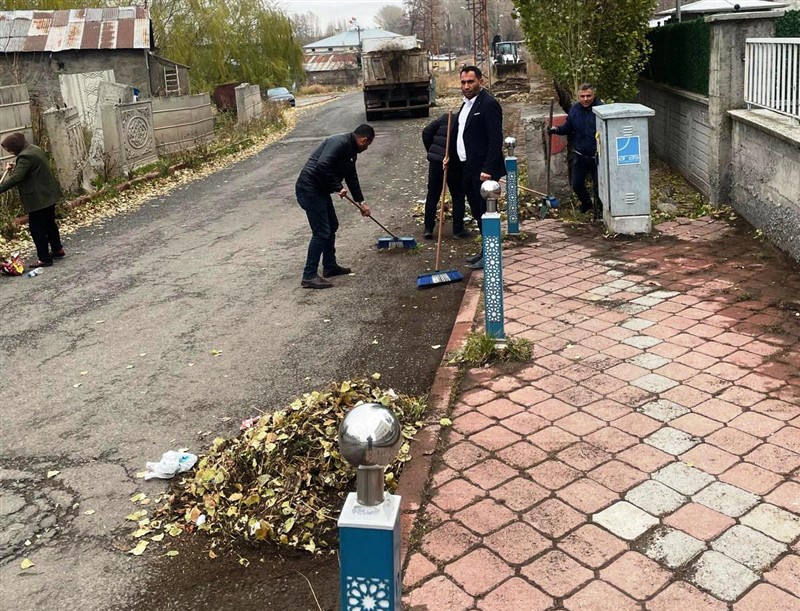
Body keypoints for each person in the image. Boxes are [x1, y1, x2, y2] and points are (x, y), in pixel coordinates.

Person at [295, 124, 374, 289]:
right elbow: (322, 164)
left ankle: (330, 266)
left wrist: (361, 202)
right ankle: (309, 275)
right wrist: (338, 187)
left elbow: (351, 176)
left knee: (332, 225)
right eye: (368, 145)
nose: (366, 149)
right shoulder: (339, 142)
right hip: (309, 189)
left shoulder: (351, 151)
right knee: (322, 231)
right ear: (363, 140)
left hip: (320, 190)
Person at [456, 65, 505, 270]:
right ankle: (485, 249)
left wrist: (488, 168)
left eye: (470, 82)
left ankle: (491, 254)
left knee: (486, 213)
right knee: (477, 212)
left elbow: (496, 140)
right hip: (468, 167)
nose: (466, 86)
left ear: (480, 82)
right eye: (463, 82)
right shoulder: (466, 105)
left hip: (483, 171)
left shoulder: (489, 104)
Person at [0, 133, 64, 267]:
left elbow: (17, 178)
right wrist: (15, 169)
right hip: (48, 194)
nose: (10, 152)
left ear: (15, 146)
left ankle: (44, 258)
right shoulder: (34, 149)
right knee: (49, 224)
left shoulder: (25, 156)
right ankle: (57, 249)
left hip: (38, 198)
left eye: (10, 149)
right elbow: (30, 172)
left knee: (37, 229)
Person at [549, 83, 603, 217]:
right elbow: (568, 127)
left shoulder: (601, 110)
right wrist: (556, 130)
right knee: (577, 184)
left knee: (599, 186)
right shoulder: (574, 110)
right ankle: (586, 204)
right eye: (582, 96)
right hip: (580, 155)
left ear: (593, 95)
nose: (585, 99)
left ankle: (600, 211)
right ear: (578, 96)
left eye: (588, 96)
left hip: (598, 156)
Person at [421, 112, 465, 240]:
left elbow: (426, 132)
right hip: (454, 164)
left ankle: (428, 229)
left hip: (437, 162)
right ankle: (458, 230)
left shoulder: (446, 117)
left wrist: (432, 150)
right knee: (458, 195)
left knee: (432, 195)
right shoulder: (462, 121)